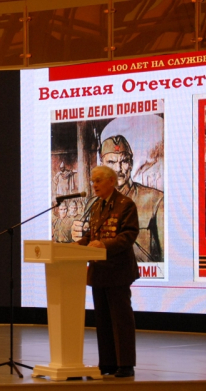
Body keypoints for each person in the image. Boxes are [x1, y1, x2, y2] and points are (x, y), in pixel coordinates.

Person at [76, 166, 140, 378]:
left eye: (98, 181)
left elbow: (128, 235)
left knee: (121, 320)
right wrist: (76, 245)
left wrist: (104, 245)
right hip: (99, 271)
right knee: (102, 320)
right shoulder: (96, 206)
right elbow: (91, 235)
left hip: (117, 271)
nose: (94, 185)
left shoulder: (125, 205)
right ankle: (107, 363)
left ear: (111, 181)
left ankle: (125, 364)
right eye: (93, 181)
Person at [99, 135, 164, 262]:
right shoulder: (93, 205)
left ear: (131, 164)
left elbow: (166, 259)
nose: (118, 169)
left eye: (124, 161)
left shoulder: (156, 200)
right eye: (111, 162)